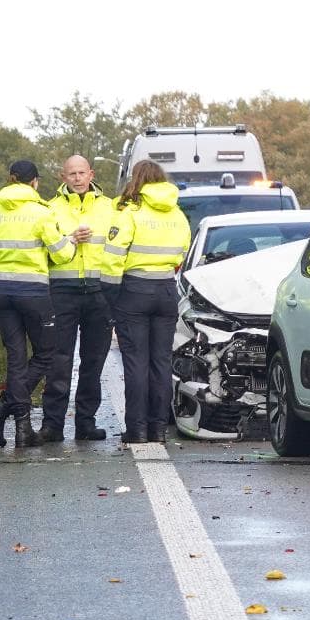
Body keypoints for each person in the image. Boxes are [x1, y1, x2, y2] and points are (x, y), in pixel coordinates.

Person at [0, 160, 73, 448]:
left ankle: (21, 427)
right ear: (35, 183)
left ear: (11, 179)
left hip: (3, 292)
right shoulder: (42, 212)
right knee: (47, 353)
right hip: (35, 294)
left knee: (15, 359)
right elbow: (62, 254)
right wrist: (73, 242)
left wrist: (2, 263)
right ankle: (3, 412)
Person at [105, 161, 192, 444]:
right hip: (166, 289)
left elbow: (113, 255)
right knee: (162, 362)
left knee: (136, 363)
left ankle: (137, 430)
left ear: (137, 179)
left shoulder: (129, 211)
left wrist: (111, 294)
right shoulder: (177, 213)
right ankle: (158, 430)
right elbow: (183, 252)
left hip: (134, 289)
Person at [42, 155, 117, 442]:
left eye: (81, 172)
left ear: (91, 174)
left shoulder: (110, 208)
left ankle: (86, 423)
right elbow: (45, 249)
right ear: (62, 176)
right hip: (61, 291)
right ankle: (53, 425)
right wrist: (70, 239)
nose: (76, 178)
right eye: (71, 173)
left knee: (93, 361)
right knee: (58, 361)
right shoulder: (49, 209)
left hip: (99, 292)